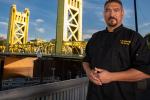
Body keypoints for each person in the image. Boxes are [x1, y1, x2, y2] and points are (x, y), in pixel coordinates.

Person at [82, 0, 150, 100]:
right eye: (107, 10)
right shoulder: (95, 37)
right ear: (104, 14)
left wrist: (111, 77)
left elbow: (145, 72)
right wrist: (88, 72)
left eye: (116, 10)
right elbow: (86, 60)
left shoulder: (134, 37)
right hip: (94, 96)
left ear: (122, 13)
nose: (111, 14)